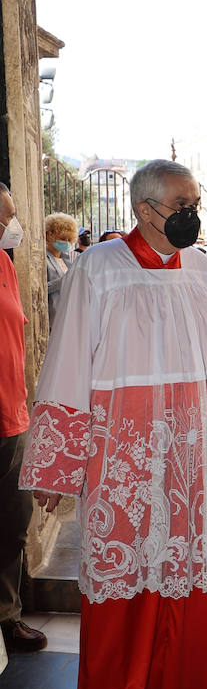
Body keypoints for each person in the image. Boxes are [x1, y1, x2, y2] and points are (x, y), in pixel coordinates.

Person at [19, 160, 207, 689]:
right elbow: (70, 362)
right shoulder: (96, 270)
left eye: (196, 202)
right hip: (126, 455)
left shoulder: (206, 270)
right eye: (181, 203)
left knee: (188, 566)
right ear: (143, 209)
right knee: (125, 578)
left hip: (194, 455)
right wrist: (58, 465)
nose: (192, 213)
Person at [0, 184, 46, 654]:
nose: (14, 226)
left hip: (12, 417)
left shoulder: (6, 266)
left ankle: (7, 617)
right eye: (5, 217)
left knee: (13, 523)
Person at [44, 211, 78, 327]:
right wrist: (63, 281)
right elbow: (41, 289)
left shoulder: (68, 258)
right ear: (49, 235)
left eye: (69, 239)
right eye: (63, 238)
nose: (67, 243)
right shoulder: (42, 259)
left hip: (70, 315)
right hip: (53, 319)